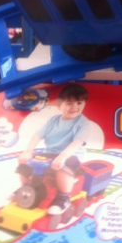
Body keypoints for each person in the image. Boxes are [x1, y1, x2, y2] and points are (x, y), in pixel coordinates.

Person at [17, 84, 91, 215]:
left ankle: (63, 197)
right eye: (69, 103)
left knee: (64, 166)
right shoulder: (53, 121)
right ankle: (27, 189)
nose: (74, 107)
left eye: (79, 103)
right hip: (49, 154)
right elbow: (37, 135)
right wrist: (28, 151)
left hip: (70, 156)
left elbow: (77, 142)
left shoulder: (83, 123)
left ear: (84, 104)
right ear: (59, 105)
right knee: (25, 162)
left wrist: (62, 156)